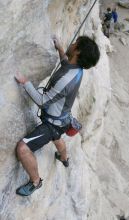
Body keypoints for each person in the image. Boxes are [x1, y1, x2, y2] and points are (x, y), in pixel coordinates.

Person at [15, 36, 100, 196]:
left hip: (52, 124)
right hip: (63, 119)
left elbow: (42, 101)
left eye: (75, 44)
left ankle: (35, 181)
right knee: (57, 136)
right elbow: (66, 64)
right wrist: (61, 49)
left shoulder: (66, 79)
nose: (72, 43)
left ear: (78, 51)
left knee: (23, 148)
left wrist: (25, 82)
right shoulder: (77, 69)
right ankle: (64, 158)